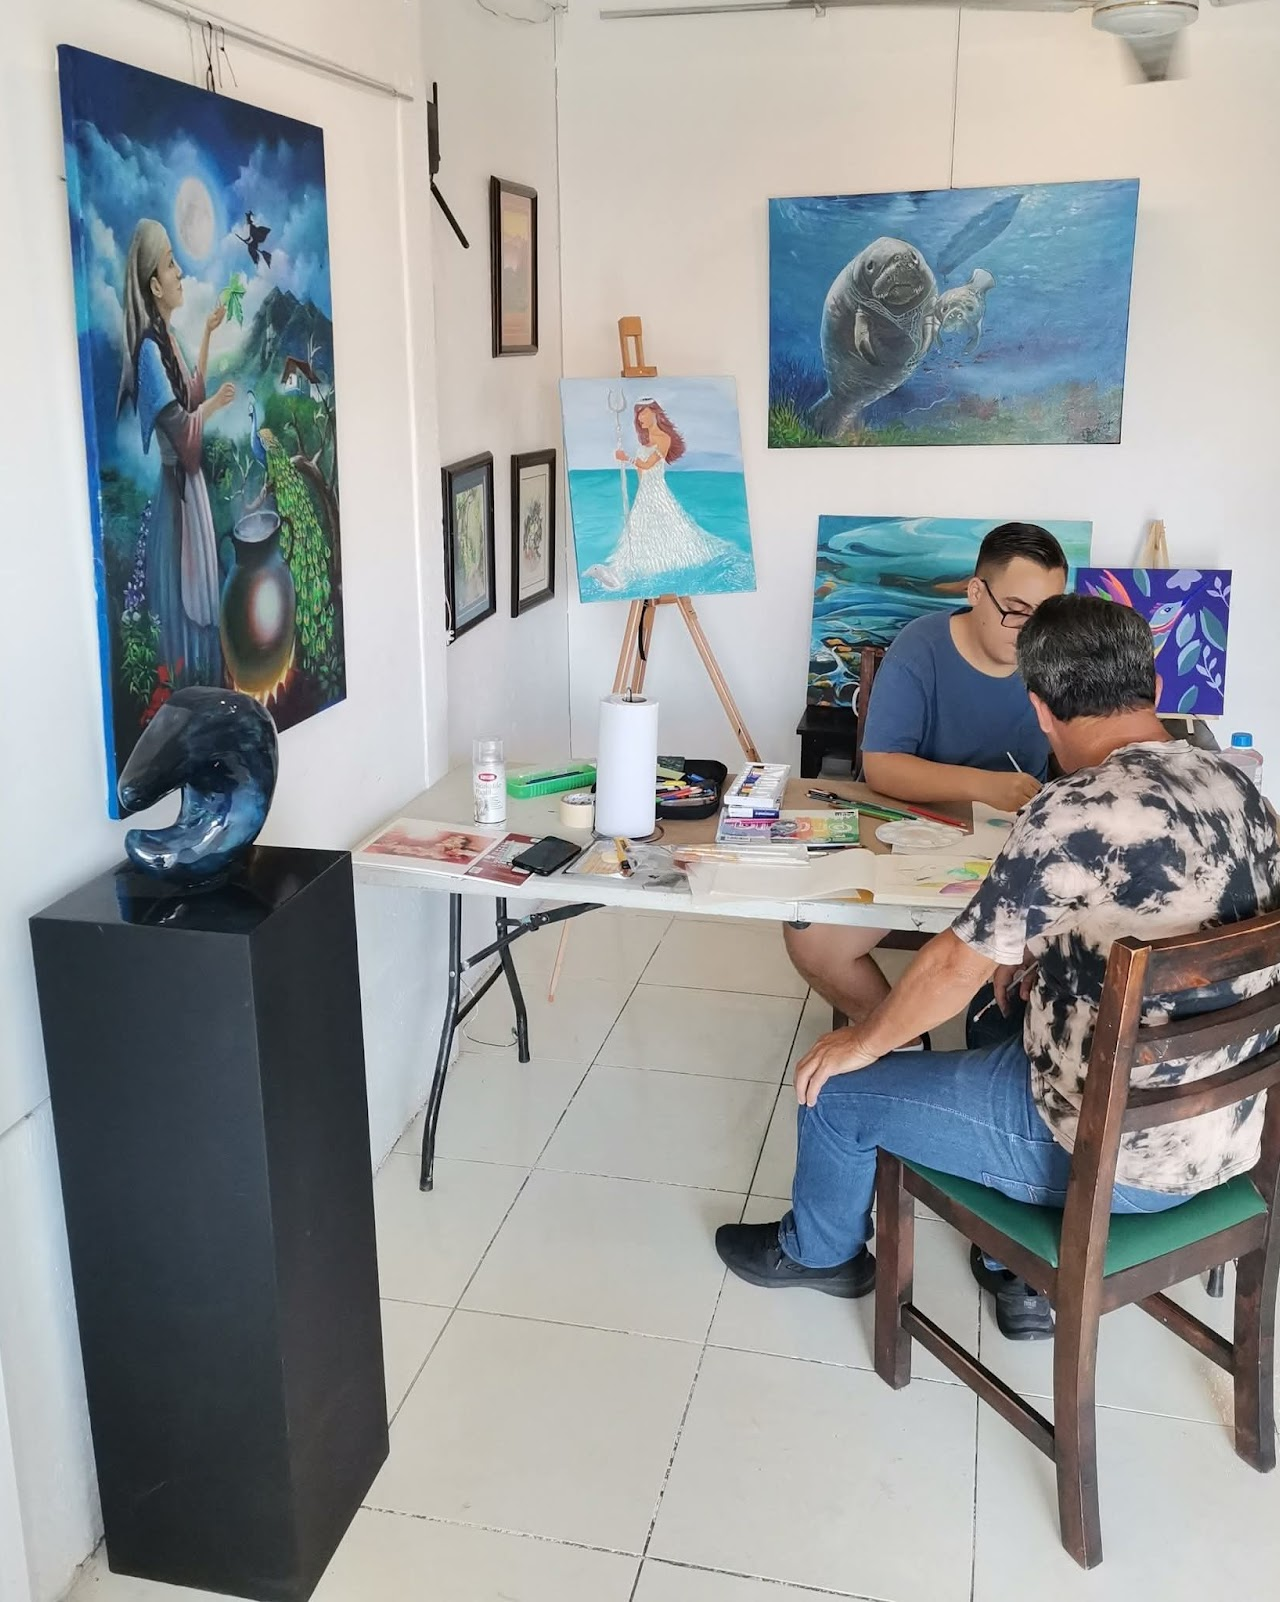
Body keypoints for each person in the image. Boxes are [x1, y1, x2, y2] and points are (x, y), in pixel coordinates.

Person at [716, 595, 1280, 1340]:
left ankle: (819, 1253)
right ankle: (1014, 1273)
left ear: (1040, 708)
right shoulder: (1237, 787)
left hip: (1111, 1158)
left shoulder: (1074, 808)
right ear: (1153, 686)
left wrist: (862, 1040)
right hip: (1228, 1132)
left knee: (835, 1091)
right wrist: (1040, 955)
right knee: (996, 1012)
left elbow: (953, 964)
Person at [785, 523, 1069, 1037]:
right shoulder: (921, 647)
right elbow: (882, 766)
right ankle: (897, 1043)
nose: (1031, 631)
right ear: (976, 592)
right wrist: (984, 786)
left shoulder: (1055, 657)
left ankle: (999, 1058)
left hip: (1013, 847)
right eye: (1016, 611)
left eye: (1046, 614)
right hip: (914, 832)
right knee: (814, 939)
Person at [117, 218, 235, 687]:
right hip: (177, 501)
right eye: (170, 265)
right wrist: (214, 406)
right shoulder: (150, 352)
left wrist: (206, 334)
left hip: (190, 495)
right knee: (184, 609)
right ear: (154, 285)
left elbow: (189, 396)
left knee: (201, 605)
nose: (180, 272)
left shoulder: (167, 340)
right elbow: (186, 438)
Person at [585, 400, 732, 592]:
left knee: (661, 530)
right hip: (645, 491)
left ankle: (637, 572)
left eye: (643, 413)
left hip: (657, 492)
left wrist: (626, 458)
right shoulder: (644, 440)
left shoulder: (664, 438)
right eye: (638, 414)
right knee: (638, 530)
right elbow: (641, 470)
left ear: (655, 413)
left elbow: (648, 465)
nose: (640, 418)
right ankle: (621, 572)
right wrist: (641, 490)